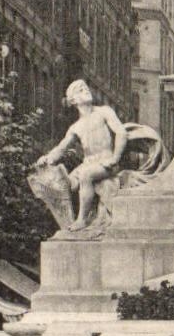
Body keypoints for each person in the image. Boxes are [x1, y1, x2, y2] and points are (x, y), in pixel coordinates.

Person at [32, 80, 128, 232]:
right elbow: (61, 148)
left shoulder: (104, 111)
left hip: (107, 162)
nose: (86, 90)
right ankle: (69, 216)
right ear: (73, 101)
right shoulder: (76, 127)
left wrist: (115, 158)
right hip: (88, 163)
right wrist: (48, 158)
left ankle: (81, 220)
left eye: (86, 88)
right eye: (80, 90)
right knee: (68, 184)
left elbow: (121, 132)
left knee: (85, 176)